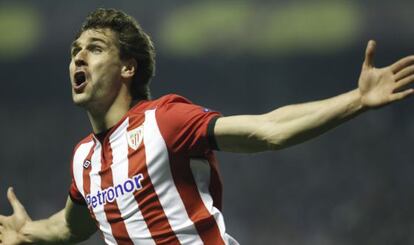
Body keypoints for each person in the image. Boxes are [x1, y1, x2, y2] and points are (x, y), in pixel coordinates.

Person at [1, 7, 414, 245]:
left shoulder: (164, 120)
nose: (78, 58)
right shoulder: (83, 161)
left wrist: (356, 100)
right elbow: (71, 227)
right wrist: (27, 234)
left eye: (94, 49)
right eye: (75, 52)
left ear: (128, 67)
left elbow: (267, 129)